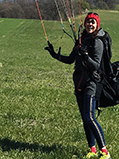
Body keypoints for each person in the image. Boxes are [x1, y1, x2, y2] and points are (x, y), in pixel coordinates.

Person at [45, 12, 111, 158]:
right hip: (79, 83)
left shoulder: (97, 42)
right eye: (88, 22)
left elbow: (95, 66)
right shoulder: (82, 40)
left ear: (97, 24)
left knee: (90, 117)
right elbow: (70, 60)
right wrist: (54, 54)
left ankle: (104, 151)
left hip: (91, 83)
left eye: (93, 22)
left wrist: (86, 56)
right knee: (84, 118)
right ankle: (92, 150)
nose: (90, 25)